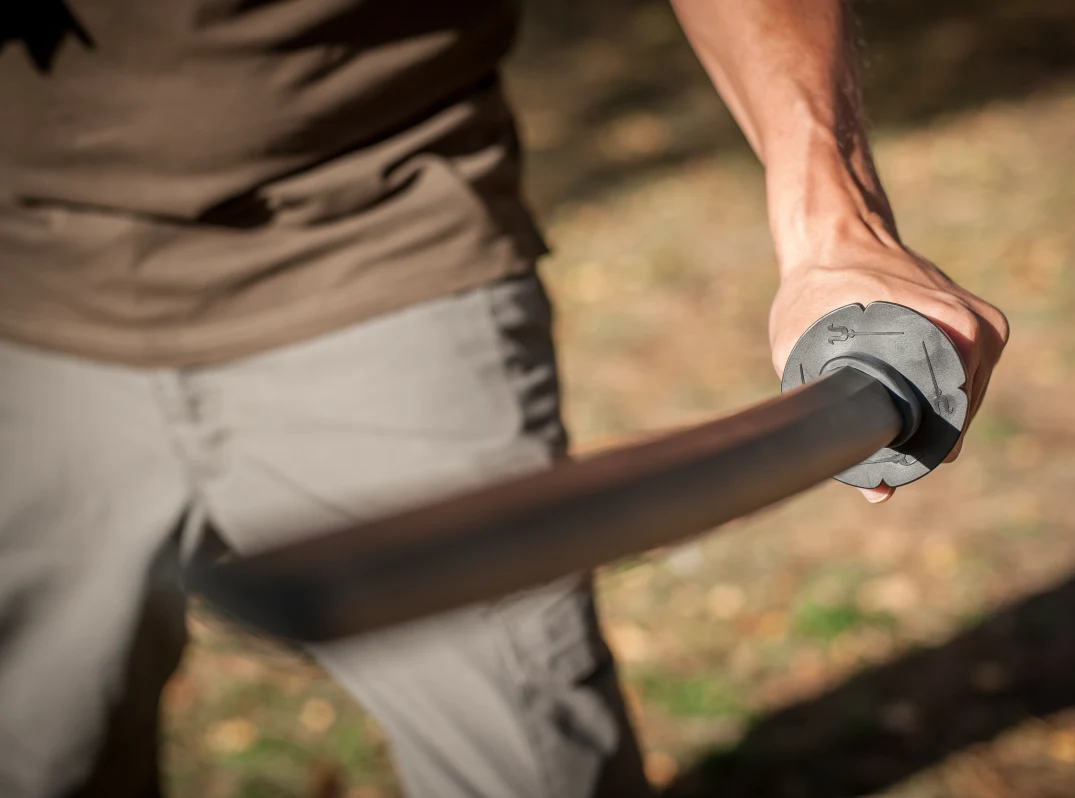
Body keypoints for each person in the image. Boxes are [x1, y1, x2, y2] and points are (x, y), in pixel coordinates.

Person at [0, 1, 1008, 796]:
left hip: (378, 258)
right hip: (24, 306)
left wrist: (834, 218)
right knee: (36, 754)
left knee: (533, 766)